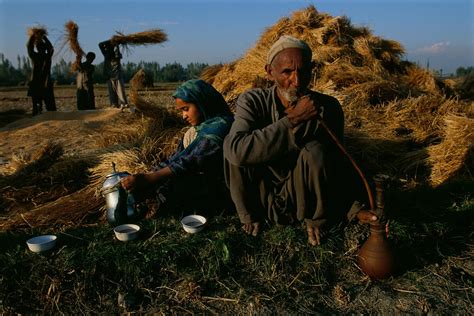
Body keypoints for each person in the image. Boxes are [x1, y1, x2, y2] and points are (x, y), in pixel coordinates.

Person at [223, 35, 363, 246]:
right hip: (261, 197)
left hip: (302, 200)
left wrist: (355, 209)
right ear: (270, 72)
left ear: (312, 70)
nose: (297, 81)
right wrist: (294, 119)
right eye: (287, 72)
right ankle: (250, 216)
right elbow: (236, 151)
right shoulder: (252, 101)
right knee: (233, 146)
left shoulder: (328, 107)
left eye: (304, 71)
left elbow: (338, 163)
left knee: (316, 150)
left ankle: (316, 217)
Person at [120, 79, 234, 216]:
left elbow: (191, 162)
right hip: (199, 176)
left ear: (202, 102)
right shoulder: (200, 129)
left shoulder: (220, 129)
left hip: (220, 187)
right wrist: (150, 173)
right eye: (181, 111)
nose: (184, 116)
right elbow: (177, 158)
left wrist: (150, 178)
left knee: (174, 186)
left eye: (186, 109)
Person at [27, 33, 56, 115]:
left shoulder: (34, 56)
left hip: (37, 83)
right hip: (44, 83)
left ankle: (37, 118)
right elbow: (51, 48)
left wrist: (32, 37)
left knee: (36, 105)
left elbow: (29, 47)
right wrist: (45, 38)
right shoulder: (47, 56)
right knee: (50, 107)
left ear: (37, 48)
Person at [98, 40, 128, 110]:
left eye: (109, 49)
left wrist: (116, 44)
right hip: (110, 77)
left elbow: (117, 51)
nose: (108, 50)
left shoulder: (116, 55)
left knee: (121, 92)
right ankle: (114, 105)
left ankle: (124, 105)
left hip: (117, 76)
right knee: (112, 93)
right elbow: (100, 44)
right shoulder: (106, 55)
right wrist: (111, 41)